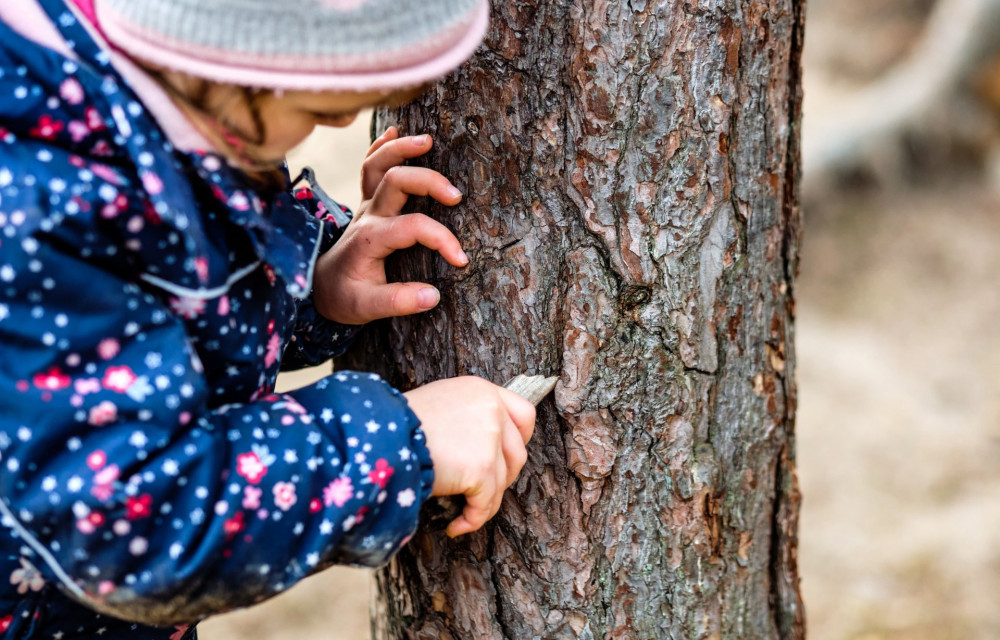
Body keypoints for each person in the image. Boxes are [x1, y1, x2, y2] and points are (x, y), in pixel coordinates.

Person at [0, 0, 536, 638]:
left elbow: (150, 328)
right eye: (319, 109)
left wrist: (313, 288)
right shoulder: (33, 195)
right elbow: (129, 522)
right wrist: (396, 441)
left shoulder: (148, 103)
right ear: (220, 49)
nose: (333, 123)